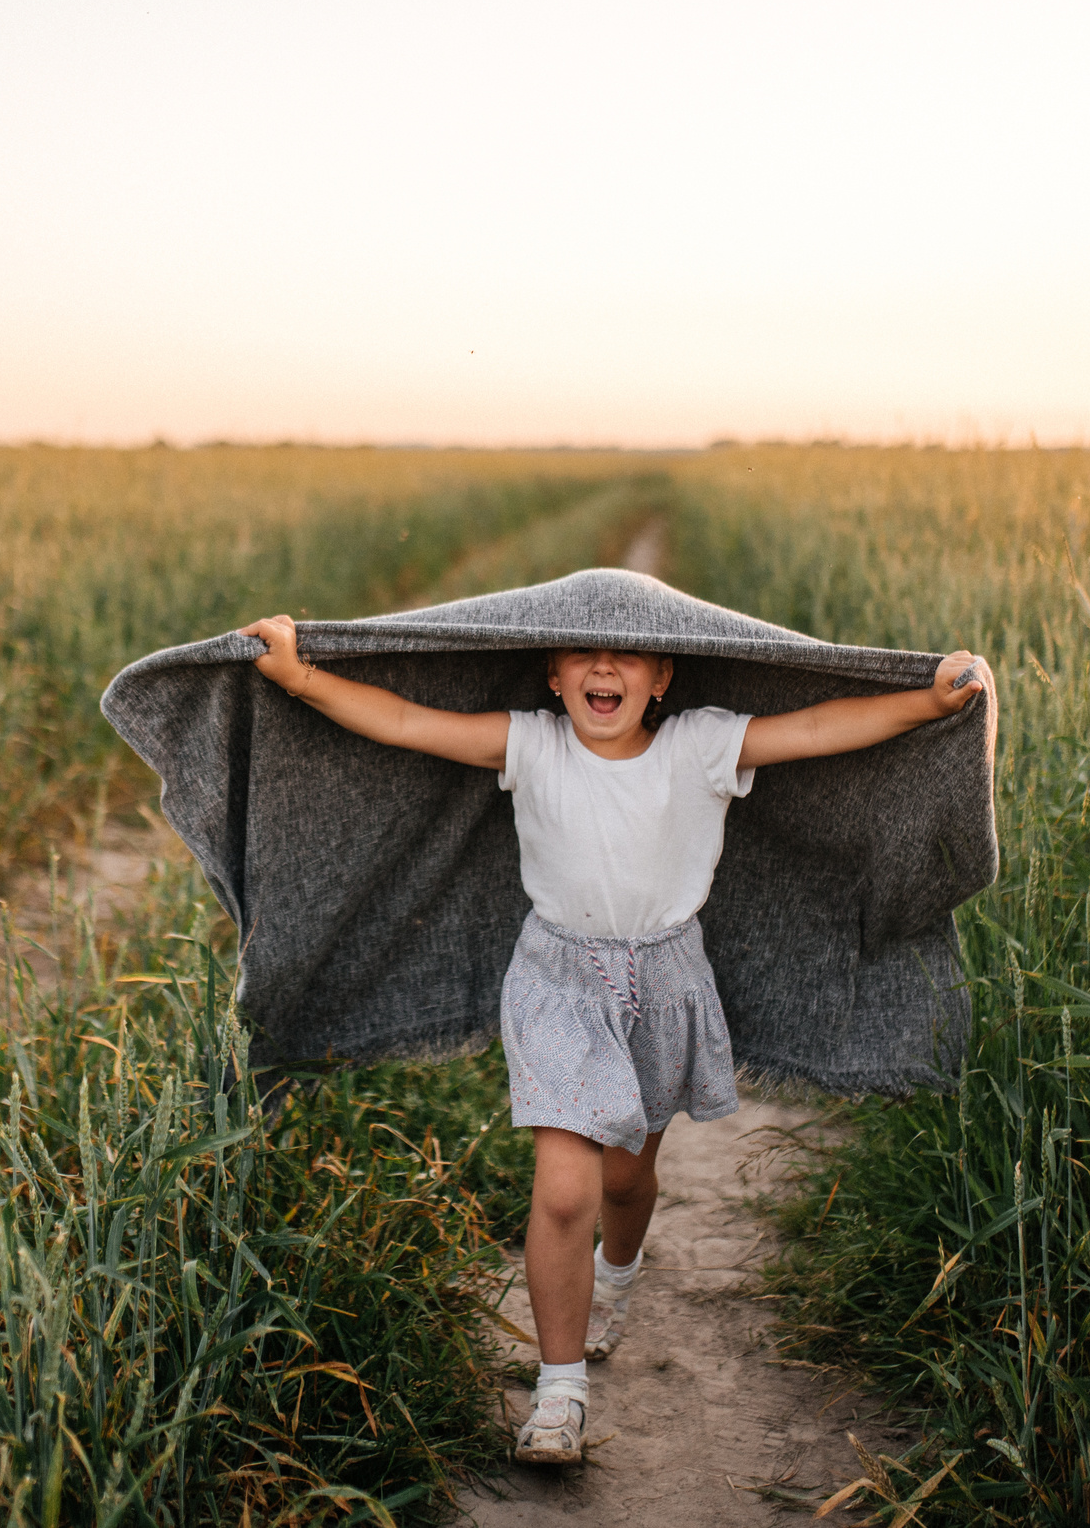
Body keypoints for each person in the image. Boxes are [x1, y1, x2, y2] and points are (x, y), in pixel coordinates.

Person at [234, 615, 989, 1464]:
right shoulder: (532, 746)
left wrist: (926, 702)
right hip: (558, 983)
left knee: (627, 1181)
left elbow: (816, 728)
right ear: (552, 674)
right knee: (565, 1191)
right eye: (583, 651)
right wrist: (302, 679)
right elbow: (409, 722)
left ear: (661, 675)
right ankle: (560, 1394)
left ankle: (616, 1277)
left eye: (627, 650)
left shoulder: (700, 748)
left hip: (665, 987)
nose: (604, 665)